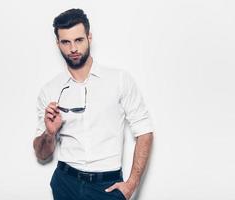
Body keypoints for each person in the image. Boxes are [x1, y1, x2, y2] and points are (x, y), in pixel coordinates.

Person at [33, 8, 154, 200]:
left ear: (89, 37)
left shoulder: (119, 80)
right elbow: (42, 155)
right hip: (65, 182)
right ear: (58, 44)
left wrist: (132, 183)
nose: (73, 48)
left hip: (107, 186)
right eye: (66, 42)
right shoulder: (50, 89)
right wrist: (50, 132)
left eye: (78, 40)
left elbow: (144, 131)